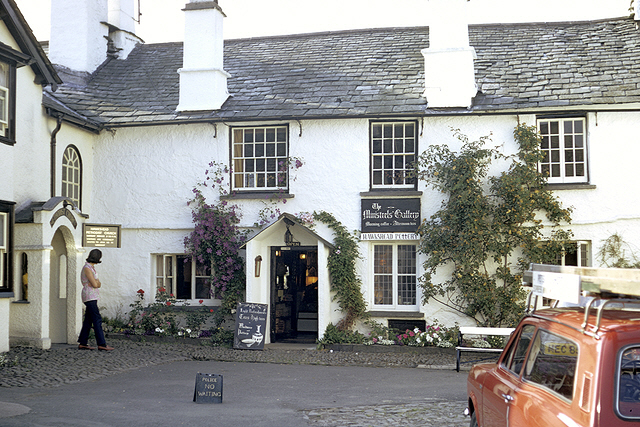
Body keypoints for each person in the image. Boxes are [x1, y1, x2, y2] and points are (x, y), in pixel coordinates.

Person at [77, 249, 114, 351]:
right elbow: (95, 284)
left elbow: (98, 284)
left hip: (93, 295)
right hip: (89, 296)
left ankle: (83, 342)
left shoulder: (91, 268)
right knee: (97, 319)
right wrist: (96, 283)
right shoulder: (87, 268)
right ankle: (102, 343)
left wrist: (97, 283)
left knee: (88, 320)